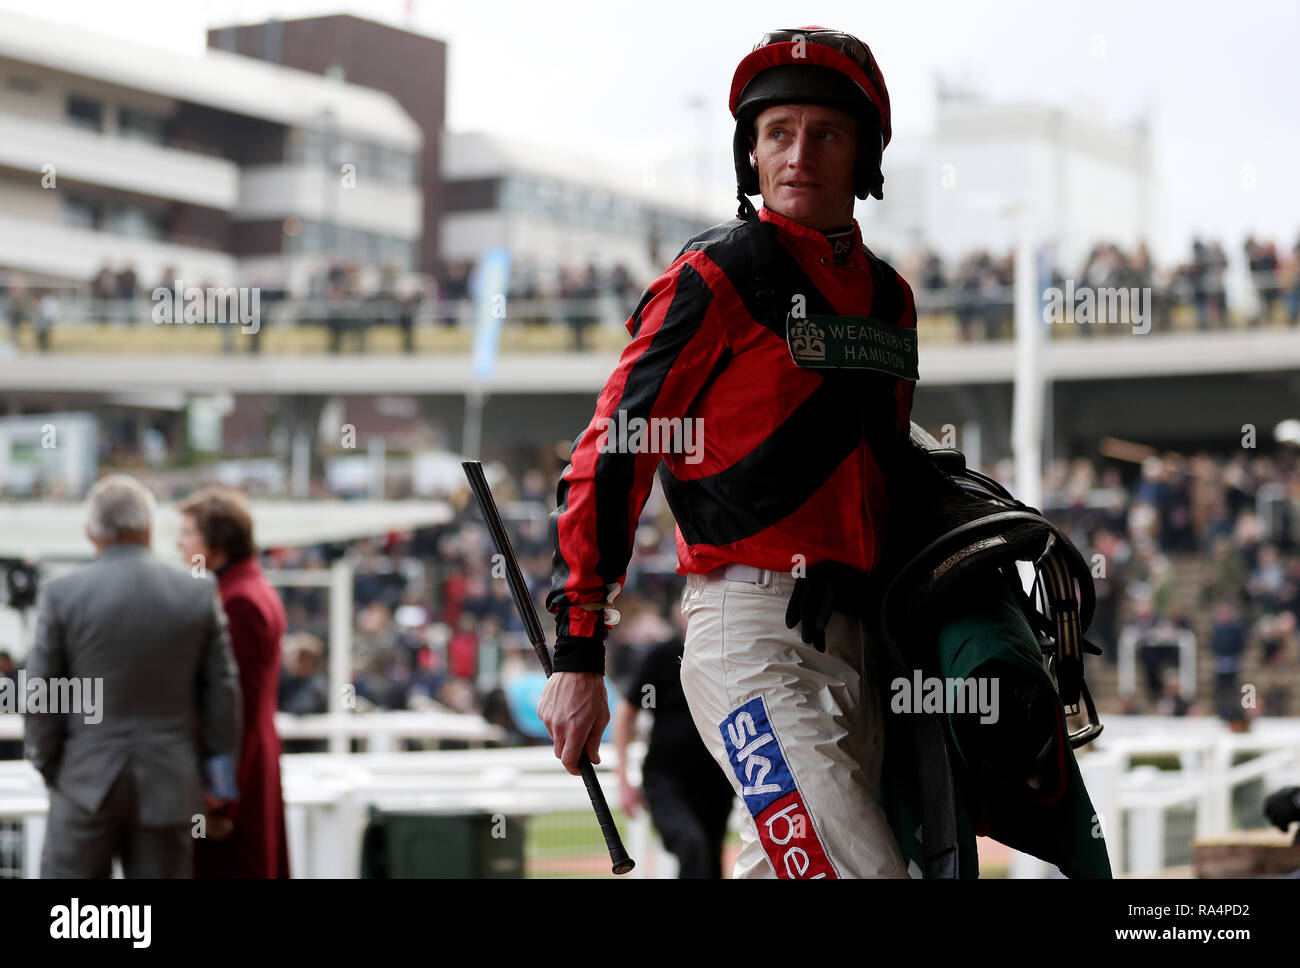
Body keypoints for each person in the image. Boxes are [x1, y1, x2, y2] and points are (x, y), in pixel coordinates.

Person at [541, 26, 1108, 879]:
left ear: (864, 156)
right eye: (777, 133)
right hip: (750, 632)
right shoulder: (713, 278)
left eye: (826, 133)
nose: (798, 154)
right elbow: (613, 451)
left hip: (870, 637)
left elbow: (887, 477)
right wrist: (579, 653)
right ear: (751, 153)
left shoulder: (891, 297)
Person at [25, 475, 240, 877]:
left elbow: (40, 695)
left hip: (83, 779)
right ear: (149, 528)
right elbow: (222, 695)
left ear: (92, 532)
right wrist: (219, 784)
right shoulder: (197, 591)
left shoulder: (62, 594)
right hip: (170, 782)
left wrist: (52, 766)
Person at [177, 487, 291, 878]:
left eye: (188, 532)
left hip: (236, 784)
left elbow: (231, 710)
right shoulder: (249, 590)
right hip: (252, 770)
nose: (179, 543)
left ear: (218, 541)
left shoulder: (237, 602)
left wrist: (221, 798)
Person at [612, 609, 735, 878]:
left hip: (717, 783)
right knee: (692, 845)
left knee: (711, 861)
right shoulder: (661, 657)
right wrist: (622, 780)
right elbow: (626, 715)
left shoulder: (726, 656)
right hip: (665, 782)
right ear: (684, 617)